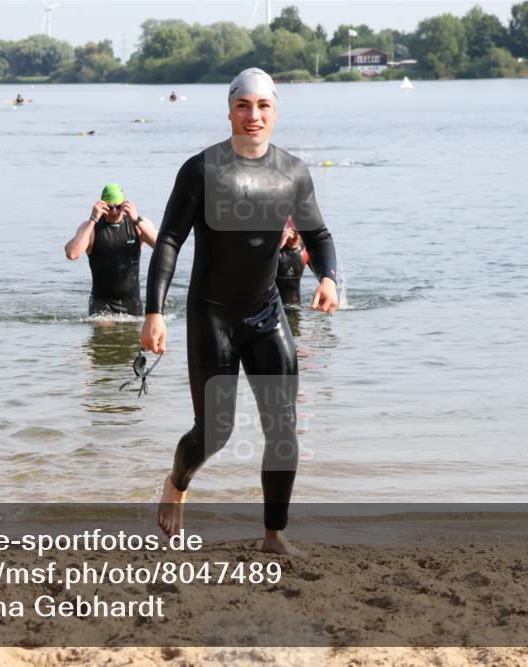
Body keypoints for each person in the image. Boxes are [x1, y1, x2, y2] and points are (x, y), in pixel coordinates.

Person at [141, 67, 339, 555]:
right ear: (229, 110)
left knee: (283, 428)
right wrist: (154, 312)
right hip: (213, 316)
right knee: (215, 432)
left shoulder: (292, 172)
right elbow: (169, 240)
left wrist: (330, 278)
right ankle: (177, 481)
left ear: (275, 111)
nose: (254, 115)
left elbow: (318, 235)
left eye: (263, 106)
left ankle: (274, 535)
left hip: (266, 314)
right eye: (244, 106)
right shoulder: (201, 170)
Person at [65, 183, 158, 317]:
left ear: (125, 205)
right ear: (102, 206)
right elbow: (72, 254)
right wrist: (93, 219)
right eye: (109, 207)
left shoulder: (137, 225)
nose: (114, 211)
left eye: (118, 207)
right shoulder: (90, 228)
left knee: (132, 337)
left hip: (131, 301)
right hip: (101, 301)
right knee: (105, 335)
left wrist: (137, 220)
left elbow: (162, 246)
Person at [276, 219, 308, 307]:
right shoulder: (275, 248)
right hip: (274, 307)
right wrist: (280, 245)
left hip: (296, 306)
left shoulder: (304, 250)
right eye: (294, 233)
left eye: (300, 233)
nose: (297, 237)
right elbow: (261, 266)